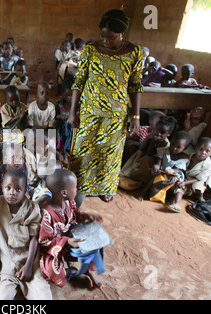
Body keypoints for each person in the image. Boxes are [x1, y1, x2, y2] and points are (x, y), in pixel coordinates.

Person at [68, 9, 144, 204]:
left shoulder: (134, 52)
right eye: (103, 36)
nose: (106, 41)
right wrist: (72, 112)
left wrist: (135, 116)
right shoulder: (91, 49)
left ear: (122, 32)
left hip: (116, 114)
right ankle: (76, 186)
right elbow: (79, 81)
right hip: (89, 111)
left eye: (111, 37)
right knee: (82, 151)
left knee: (110, 153)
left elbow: (135, 85)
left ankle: (105, 186)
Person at [0, 169, 53, 300]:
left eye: (18, 189)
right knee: (2, 297)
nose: (12, 192)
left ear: (25, 191)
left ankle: (29, 282)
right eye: (8, 188)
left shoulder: (32, 208)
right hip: (8, 263)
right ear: (2, 188)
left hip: (30, 261)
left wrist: (29, 266)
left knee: (44, 296)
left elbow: (34, 238)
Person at [39, 169, 105, 288]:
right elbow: (44, 241)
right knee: (50, 271)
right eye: (75, 187)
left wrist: (85, 215)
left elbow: (74, 212)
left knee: (94, 236)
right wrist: (67, 242)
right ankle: (72, 274)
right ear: (64, 193)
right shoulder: (47, 214)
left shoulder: (68, 202)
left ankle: (87, 270)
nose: (77, 189)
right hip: (54, 248)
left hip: (70, 237)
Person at [137, 131, 192, 213]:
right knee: (153, 179)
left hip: (175, 176)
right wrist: (156, 166)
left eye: (178, 147)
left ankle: (176, 202)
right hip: (163, 173)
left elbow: (179, 169)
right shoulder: (164, 151)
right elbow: (159, 162)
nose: (174, 148)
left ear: (185, 148)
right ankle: (142, 194)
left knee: (179, 187)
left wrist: (173, 172)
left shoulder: (183, 157)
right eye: (173, 144)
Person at [119, 116, 176, 189]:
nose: (158, 134)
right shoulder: (151, 135)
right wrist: (148, 138)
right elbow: (141, 148)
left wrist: (153, 141)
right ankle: (129, 176)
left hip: (152, 164)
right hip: (140, 158)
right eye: (157, 130)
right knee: (137, 152)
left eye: (162, 132)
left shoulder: (165, 144)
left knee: (147, 159)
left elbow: (150, 154)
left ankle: (140, 181)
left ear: (168, 134)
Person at [184, 137, 211, 202]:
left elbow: (199, 178)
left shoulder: (209, 165)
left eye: (207, 151)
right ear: (195, 148)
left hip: (202, 179)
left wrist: (186, 182)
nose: (203, 152)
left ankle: (204, 197)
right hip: (189, 178)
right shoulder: (188, 157)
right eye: (201, 149)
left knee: (199, 185)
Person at [54, 79, 74, 162]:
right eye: (67, 95)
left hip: (72, 129)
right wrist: (61, 116)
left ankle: (67, 154)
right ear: (62, 94)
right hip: (60, 128)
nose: (69, 98)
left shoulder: (76, 105)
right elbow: (54, 116)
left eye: (72, 95)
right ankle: (59, 154)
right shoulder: (59, 104)